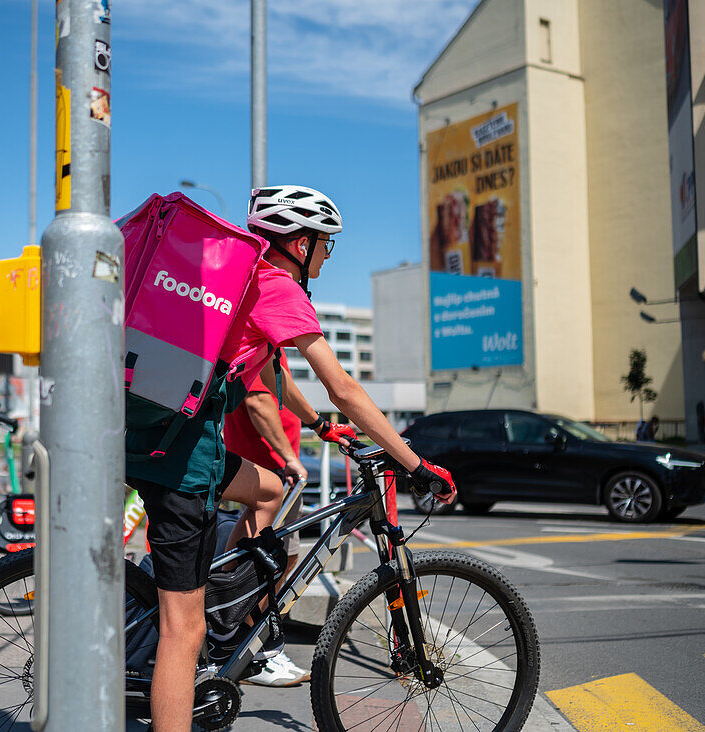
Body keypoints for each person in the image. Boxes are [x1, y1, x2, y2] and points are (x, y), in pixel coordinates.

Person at [125, 184, 457, 732]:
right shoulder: (278, 286)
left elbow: (263, 371)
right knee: (182, 632)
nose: (327, 254)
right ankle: (197, 626)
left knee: (270, 489)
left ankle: (221, 601)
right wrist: (415, 462)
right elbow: (343, 385)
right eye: (326, 244)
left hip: (160, 436)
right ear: (300, 243)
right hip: (184, 456)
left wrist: (320, 425)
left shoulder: (242, 278)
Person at [221, 349, 310, 687]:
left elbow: (283, 390)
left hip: (275, 467)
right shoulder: (258, 339)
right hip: (270, 470)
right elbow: (257, 400)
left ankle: (247, 643)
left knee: (282, 560)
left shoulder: (272, 347)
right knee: (262, 566)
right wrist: (286, 457)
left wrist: (321, 424)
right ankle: (256, 652)